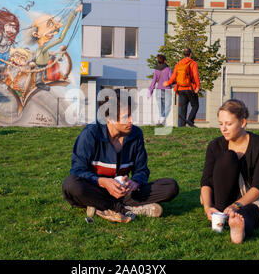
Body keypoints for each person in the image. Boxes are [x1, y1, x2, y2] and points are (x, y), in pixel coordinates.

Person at [62, 89, 179, 223]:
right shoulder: (90, 134)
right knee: (71, 185)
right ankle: (123, 208)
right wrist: (102, 182)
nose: (131, 120)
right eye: (126, 117)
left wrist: (134, 182)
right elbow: (78, 170)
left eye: (131, 115)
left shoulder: (135, 134)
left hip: (125, 193)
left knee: (171, 186)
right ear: (109, 118)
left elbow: (142, 170)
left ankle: (102, 206)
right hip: (96, 189)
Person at [200, 99, 259, 244]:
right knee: (228, 156)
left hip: (250, 199)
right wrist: (208, 208)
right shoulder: (215, 145)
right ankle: (221, 216)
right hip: (222, 199)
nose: (223, 128)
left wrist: (236, 206)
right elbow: (206, 182)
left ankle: (239, 229)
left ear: (243, 122)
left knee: (249, 213)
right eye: (221, 124)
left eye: (228, 124)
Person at [163, 48, 200, 127]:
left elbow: (174, 76)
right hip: (190, 88)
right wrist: (197, 86)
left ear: (184, 54)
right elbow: (196, 75)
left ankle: (182, 126)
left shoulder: (178, 64)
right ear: (190, 54)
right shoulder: (193, 63)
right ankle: (190, 121)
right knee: (195, 105)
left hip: (180, 88)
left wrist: (168, 83)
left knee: (183, 107)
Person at [148, 54, 172, 125]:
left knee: (161, 108)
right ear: (165, 61)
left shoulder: (156, 70)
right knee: (168, 106)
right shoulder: (168, 69)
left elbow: (154, 81)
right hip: (167, 89)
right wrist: (176, 85)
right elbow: (171, 79)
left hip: (158, 90)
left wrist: (150, 90)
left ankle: (162, 121)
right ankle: (162, 120)